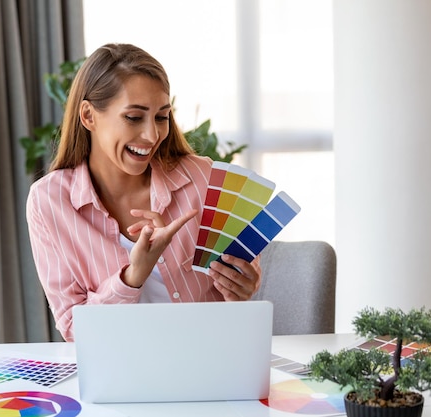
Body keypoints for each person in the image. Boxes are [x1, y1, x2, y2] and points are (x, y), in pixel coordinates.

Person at [26, 43, 261, 341]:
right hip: (119, 370)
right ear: (88, 116)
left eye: (161, 117)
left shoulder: (202, 177)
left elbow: (244, 271)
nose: (152, 136)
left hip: (210, 358)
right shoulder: (50, 201)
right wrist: (133, 275)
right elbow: (74, 328)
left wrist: (244, 283)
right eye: (134, 117)